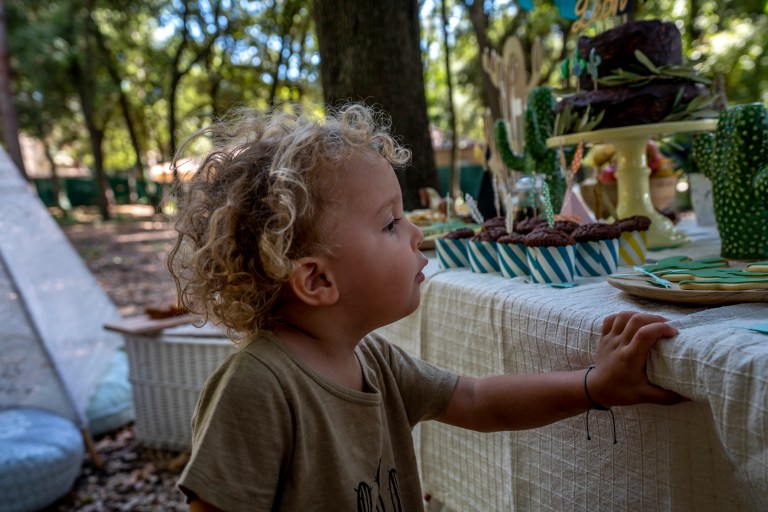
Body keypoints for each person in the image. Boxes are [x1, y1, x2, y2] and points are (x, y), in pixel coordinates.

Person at [168, 103, 686, 512]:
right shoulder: (256, 388)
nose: (417, 234)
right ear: (317, 279)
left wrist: (593, 385)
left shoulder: (374, 360)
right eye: (391, 223)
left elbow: (478, 400)